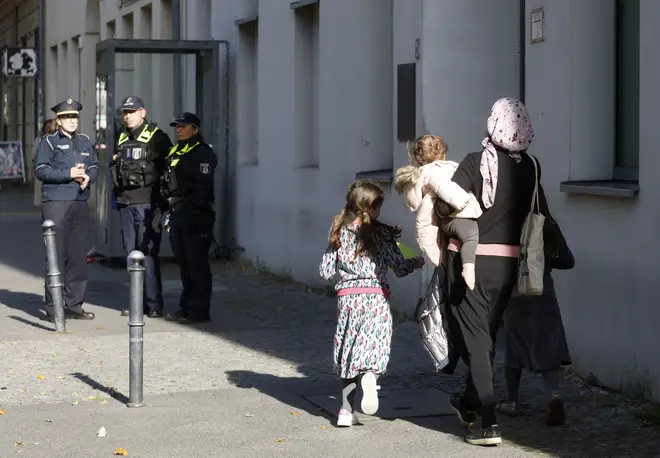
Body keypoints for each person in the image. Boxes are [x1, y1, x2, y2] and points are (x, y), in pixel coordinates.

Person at [434, 97, 538, 446]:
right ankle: (467, 401)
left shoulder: (474, 162)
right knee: (486, 337)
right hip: (507, 266)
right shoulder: (531, 168)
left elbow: (445, 204)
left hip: (469, 261)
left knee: (476, 340)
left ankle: (488, 422)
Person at [319, 180, 425, 427]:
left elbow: (325, 270)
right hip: (375, 296)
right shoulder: (381, 234)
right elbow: (398, 265)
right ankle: (370, 375)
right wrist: (414, 262)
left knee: (349, 348)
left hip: (348, 298)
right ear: (372, 207)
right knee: (374, 342)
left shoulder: (339, 231)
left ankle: (345, 411)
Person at [496, 186, 573, 426]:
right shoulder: (547, 224)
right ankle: (553, 394)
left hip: (514, 292)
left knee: (514, 346)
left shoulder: (503, 224)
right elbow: (568, 261)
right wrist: (545, 262)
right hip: (543, 291)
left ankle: (512, 402)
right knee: (547, 343)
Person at [34, 99, 99, 321]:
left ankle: (74, 304)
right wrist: (68, 174)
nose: (72, 121)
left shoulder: (84, 141)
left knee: (78, 257)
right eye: (67, 118)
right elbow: (41, 170)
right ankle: (53, 307)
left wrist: (89, 176)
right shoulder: (49, 142)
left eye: (75, 118)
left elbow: (94, 165)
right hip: (56, 203)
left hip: (80, 202)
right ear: (59, 120)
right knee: (56, 256)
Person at [110, 96, 173, 318]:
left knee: (148, 254)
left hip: (147, 203)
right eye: (125, 112)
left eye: (132, 111)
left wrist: (164, 202)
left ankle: (154, 304)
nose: (127, 116)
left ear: (143, 112)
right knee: (131, 254)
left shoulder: (158, 138)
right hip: (126, 203)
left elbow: (169, 170)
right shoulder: (122, 138)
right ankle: (138, 304)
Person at [394, 134, 482, 289]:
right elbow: (445, 187)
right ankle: (469, 269)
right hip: (457, 214)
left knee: (438, 248)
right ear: (442, 154)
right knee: (471, 235)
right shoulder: (436, 171)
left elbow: (414, 203)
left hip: (437, 220)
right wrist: (462, 199)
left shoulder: (418, 175)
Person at [162, 112, 217, 324]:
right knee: (184, 263)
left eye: (183, 126)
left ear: (195, 128)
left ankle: (199, 310)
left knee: (197, 265)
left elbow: (202, 189)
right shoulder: (177, 150)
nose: (179, 129)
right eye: (177, 126)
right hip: (177, 213)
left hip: (196, 215)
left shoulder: (202, 153)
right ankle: (186, 306)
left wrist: (191, 210)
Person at [32, 119, 57, 206]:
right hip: (43, 169)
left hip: (55, 170)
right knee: (41, 192)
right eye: (47, 127)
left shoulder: (58, 140)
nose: (49, 129)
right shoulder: (39, 140)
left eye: (51, 127)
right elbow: (34, 155)